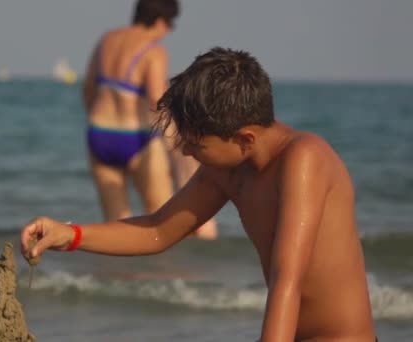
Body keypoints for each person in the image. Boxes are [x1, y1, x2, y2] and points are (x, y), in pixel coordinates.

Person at [23, 47, 377, 341]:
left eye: (197, 145)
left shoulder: (304, 159)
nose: (188, 153)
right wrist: (70, 234)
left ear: (244, 139)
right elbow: (158, 229)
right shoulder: (227, 168)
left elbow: (288, 279)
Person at [81, 0, 218, 239]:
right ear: (159, 21)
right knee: (160, 221)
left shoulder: (107, 40)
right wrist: (177, 138)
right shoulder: (154, 51)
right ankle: (160, 275)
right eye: (170, 24)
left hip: (99, 134)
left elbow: (88, 90)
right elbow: (157, 100)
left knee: (116, 220)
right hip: (136, 138)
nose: (168, 32)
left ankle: (120, 276)